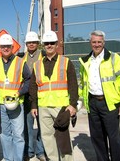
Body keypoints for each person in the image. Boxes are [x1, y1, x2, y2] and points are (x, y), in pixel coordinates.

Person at [78, 30, 120, 161]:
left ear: (104, 42)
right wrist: (80, 100)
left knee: (114, 138)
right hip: (92, 103)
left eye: (99, 42)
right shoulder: (85, 61)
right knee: (97, 137)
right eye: (94, 42)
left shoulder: (113, 58)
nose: (97, 45)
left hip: (109, 103)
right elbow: (82, 83)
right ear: (90, 43)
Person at [29, 31, 78, 161]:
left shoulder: (66, 62)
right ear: (43, 45)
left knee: (63, 137)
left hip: (61, 106)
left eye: (52, 43)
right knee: (47, 137)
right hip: (43, 106)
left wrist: (73, 104)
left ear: (56, 45)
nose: (49, 45)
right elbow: (33, 87)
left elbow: (73, 84)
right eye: (47, 43)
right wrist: (34, 105)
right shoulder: (37, 65)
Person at [0, 33, 31, 161]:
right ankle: (8, 158)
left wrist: (19, 93)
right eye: (3, 46)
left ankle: (18, 159)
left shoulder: (21, 62)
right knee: (4, 134)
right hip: (1, 105)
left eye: (8, 46)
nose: (6, 48)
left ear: (12, 47)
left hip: (16, 105)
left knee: (18, 135)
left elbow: (29, 80)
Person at [22, 31, 46, 161]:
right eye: (29, 42)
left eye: (33, 42)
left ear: (37, 43)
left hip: (41, 96)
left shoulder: (43, 55)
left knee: (42, 126)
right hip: (27, 97)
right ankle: (29, 151)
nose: (31, 44)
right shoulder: (21, 58)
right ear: (26, 44)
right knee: (28, 126)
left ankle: (40, 151)